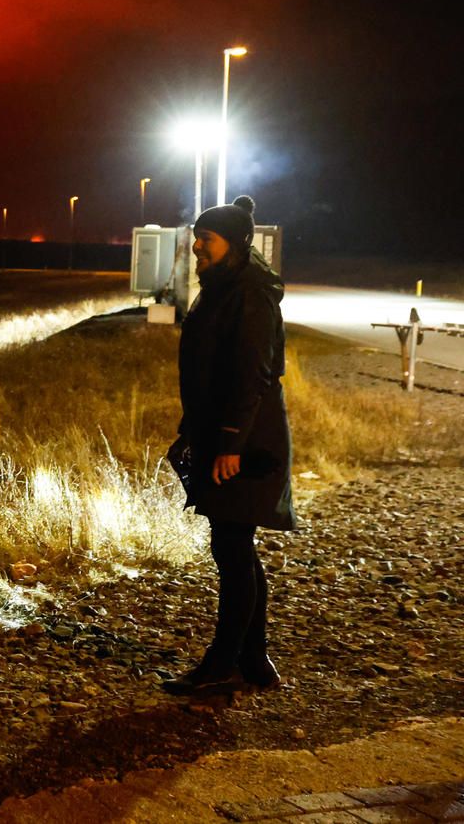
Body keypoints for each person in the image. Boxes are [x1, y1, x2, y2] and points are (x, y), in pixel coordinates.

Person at [163, 195, 296, 696]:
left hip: (247, 438)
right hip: (226, 432)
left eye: (208, 239)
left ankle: (224, 663)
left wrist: (229, 444)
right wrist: (192, 430)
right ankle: (255, 662)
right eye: (196, 237)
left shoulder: (251, 291)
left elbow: (252, 373)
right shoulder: (224, 284)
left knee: (232, 545)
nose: (197, 246)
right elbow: (208, 373)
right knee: (236, 544)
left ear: (236, 245)